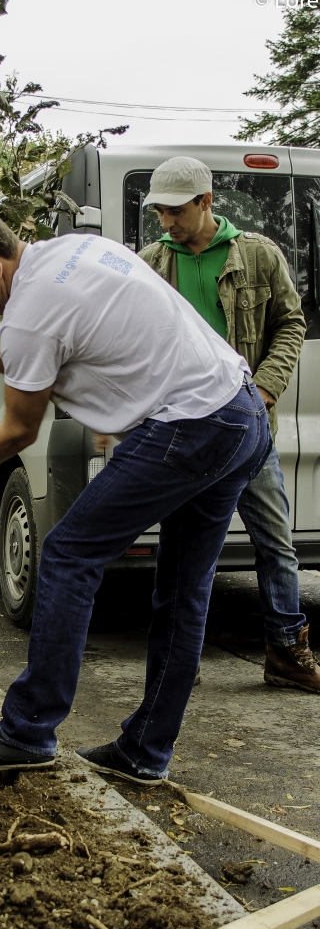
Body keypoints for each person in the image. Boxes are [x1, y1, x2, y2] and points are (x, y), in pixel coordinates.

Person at [0, 206, 271, 783]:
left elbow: (18, 429)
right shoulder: (70, 251)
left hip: (190, 426)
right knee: (181, 594)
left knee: (67, 554)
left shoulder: (28, 314)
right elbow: (56, 351)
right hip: (239, 411)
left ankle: (27, 732)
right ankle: (144, 752)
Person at [139, 156, 320, 694]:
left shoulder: (258, 254)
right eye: (159, 213)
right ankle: (177, 659)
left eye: (175, 211)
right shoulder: (151, 263)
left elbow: (291, 323)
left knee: (275, 541)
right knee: (182, 548)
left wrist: (264, 388)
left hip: (247, 427)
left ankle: (287, 653)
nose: (166, 222)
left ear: (205, 202)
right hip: (182, 428)